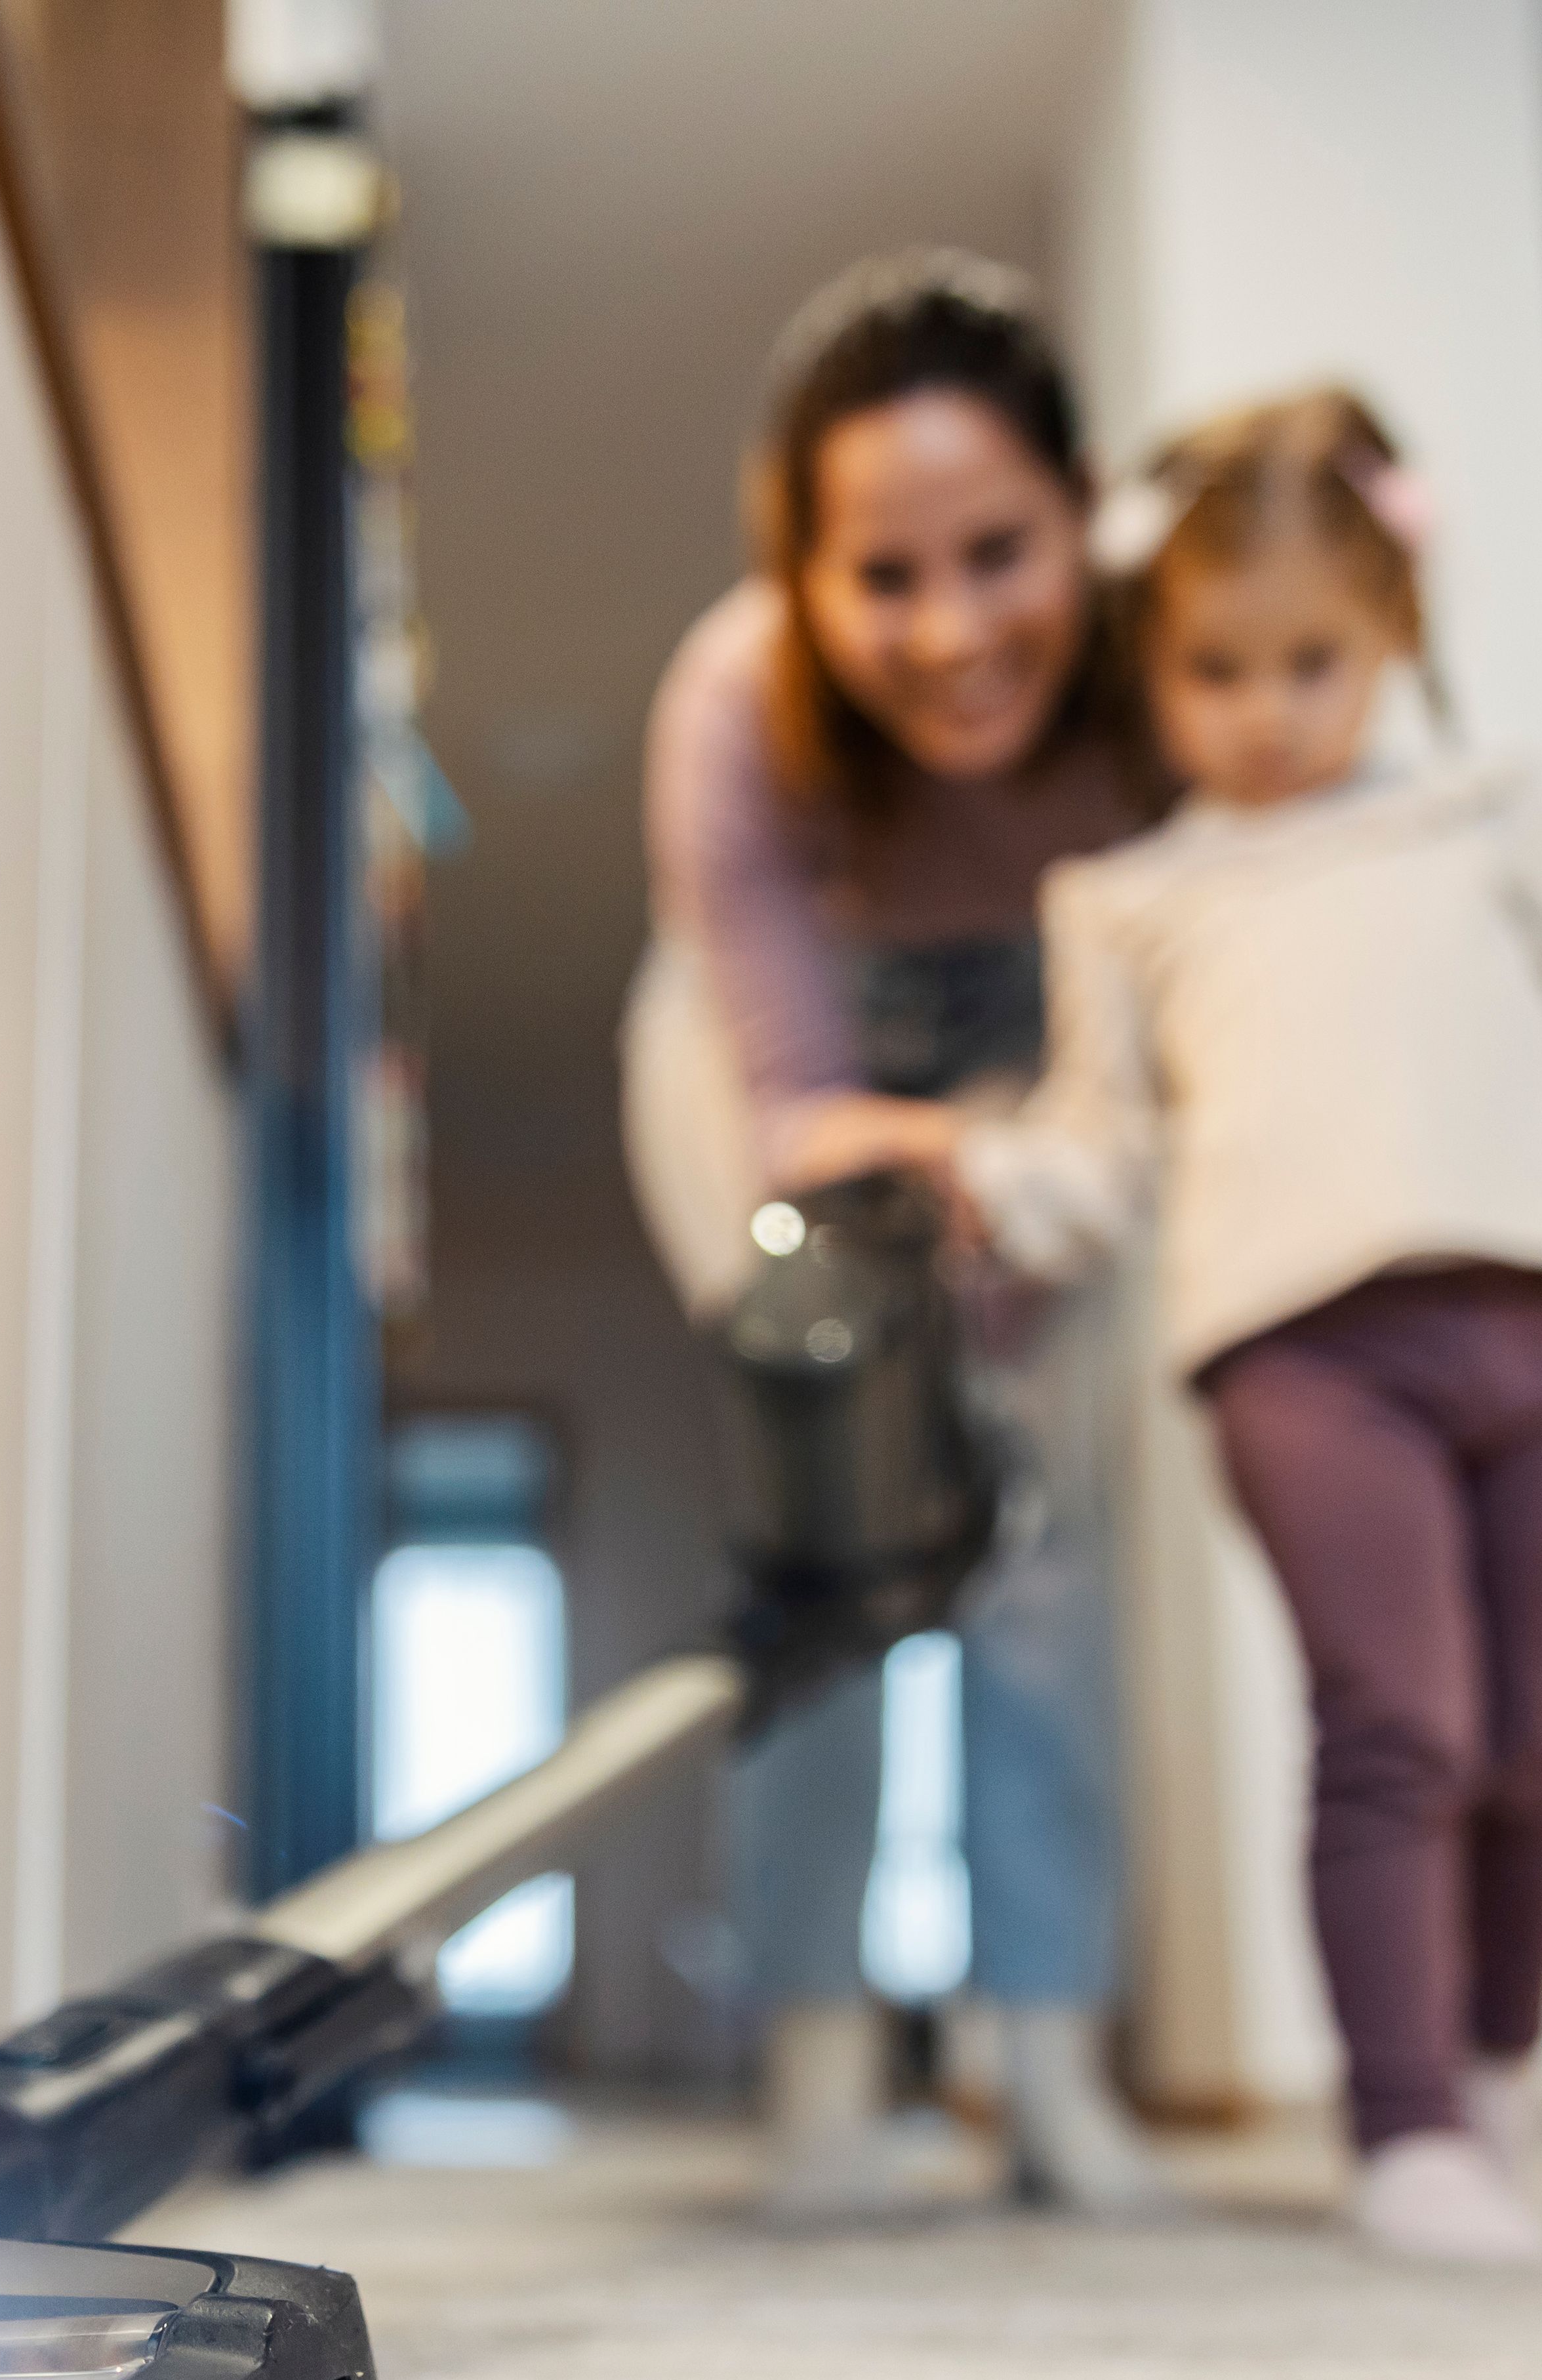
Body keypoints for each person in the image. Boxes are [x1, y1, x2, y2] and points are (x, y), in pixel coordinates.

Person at [960, 388, 1542, 2264]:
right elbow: (1098, 1140)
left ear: (1392, 635)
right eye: (1219, 669)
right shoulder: (1130, 902)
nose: (1269, 707)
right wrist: (1002, 1194)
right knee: (1401, 1721)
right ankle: (1402, 2130)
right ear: (1157, 665)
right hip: (1303, 1354)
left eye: (1316, 660)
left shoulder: (1490, 820)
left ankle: (1496, 2088)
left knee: (1530, 1736)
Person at [624, 252, 1171, 2221]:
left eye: (1001, 552)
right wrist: (935, 1225)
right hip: (779, 1091)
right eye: (884, 578)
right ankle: (826, 2082)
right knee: (831, 1560)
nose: (952, 632)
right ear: (799, 574)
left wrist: (1024, 1253)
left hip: (1050, 1093)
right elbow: (791, 1098)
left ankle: (1051, 2082)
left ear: (1086, 506)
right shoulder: (733, 710)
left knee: (1038, 1563)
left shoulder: (1161, 679)